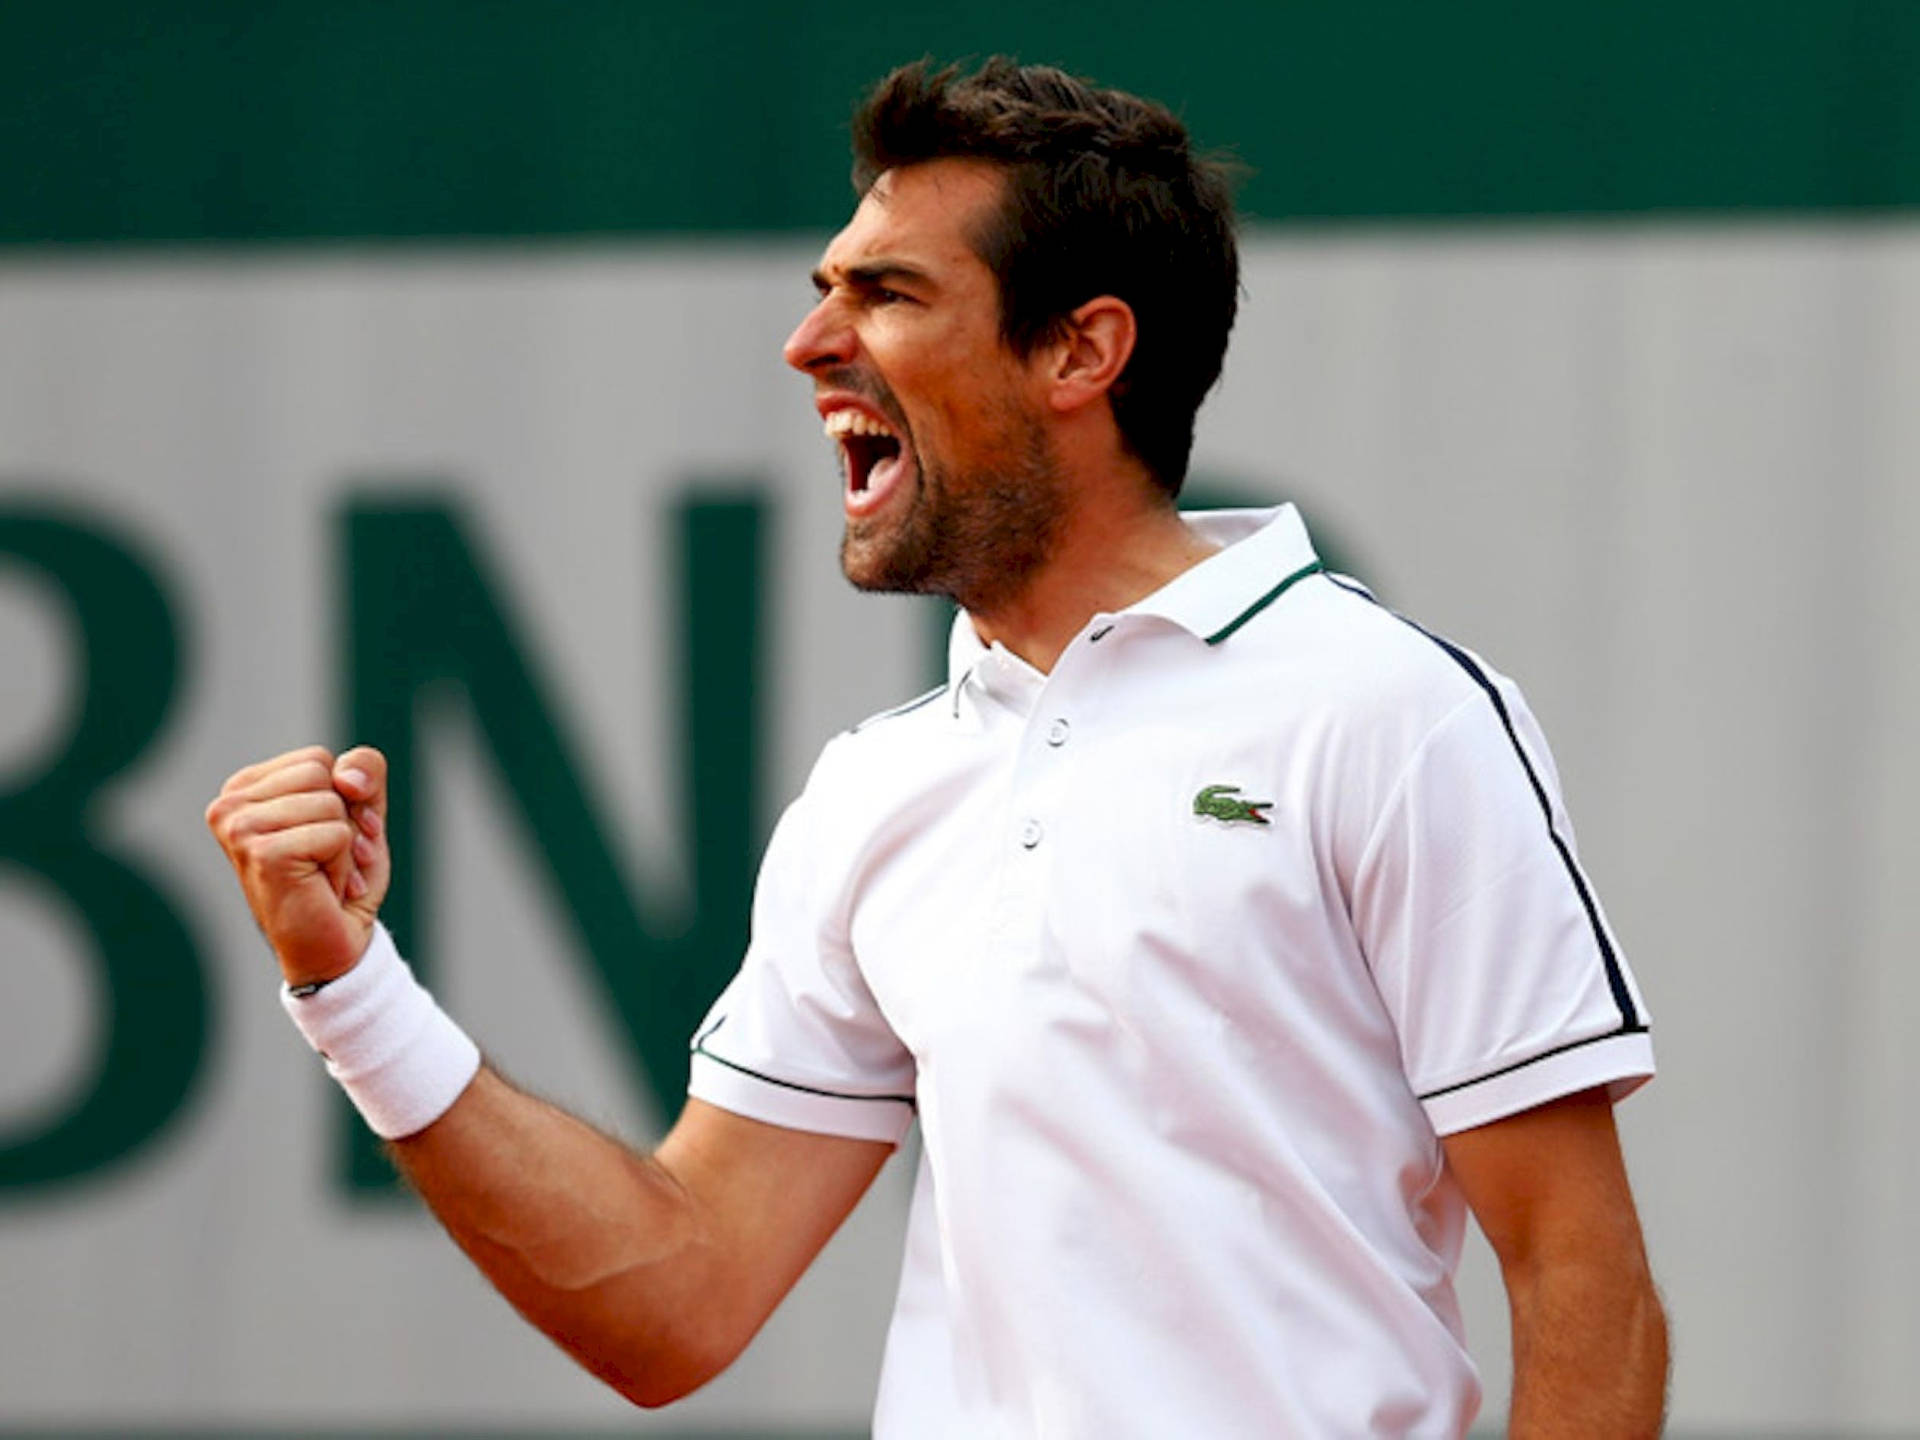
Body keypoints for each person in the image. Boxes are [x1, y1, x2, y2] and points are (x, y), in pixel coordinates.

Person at [207, 58, 1668, 1438]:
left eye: (888, 294)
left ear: (1081, 351)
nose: (810, 343)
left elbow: (1580, 1281)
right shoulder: (877, 789)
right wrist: (351, 989)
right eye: (824, 290)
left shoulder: (1385, 712)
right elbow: (672, 1300)